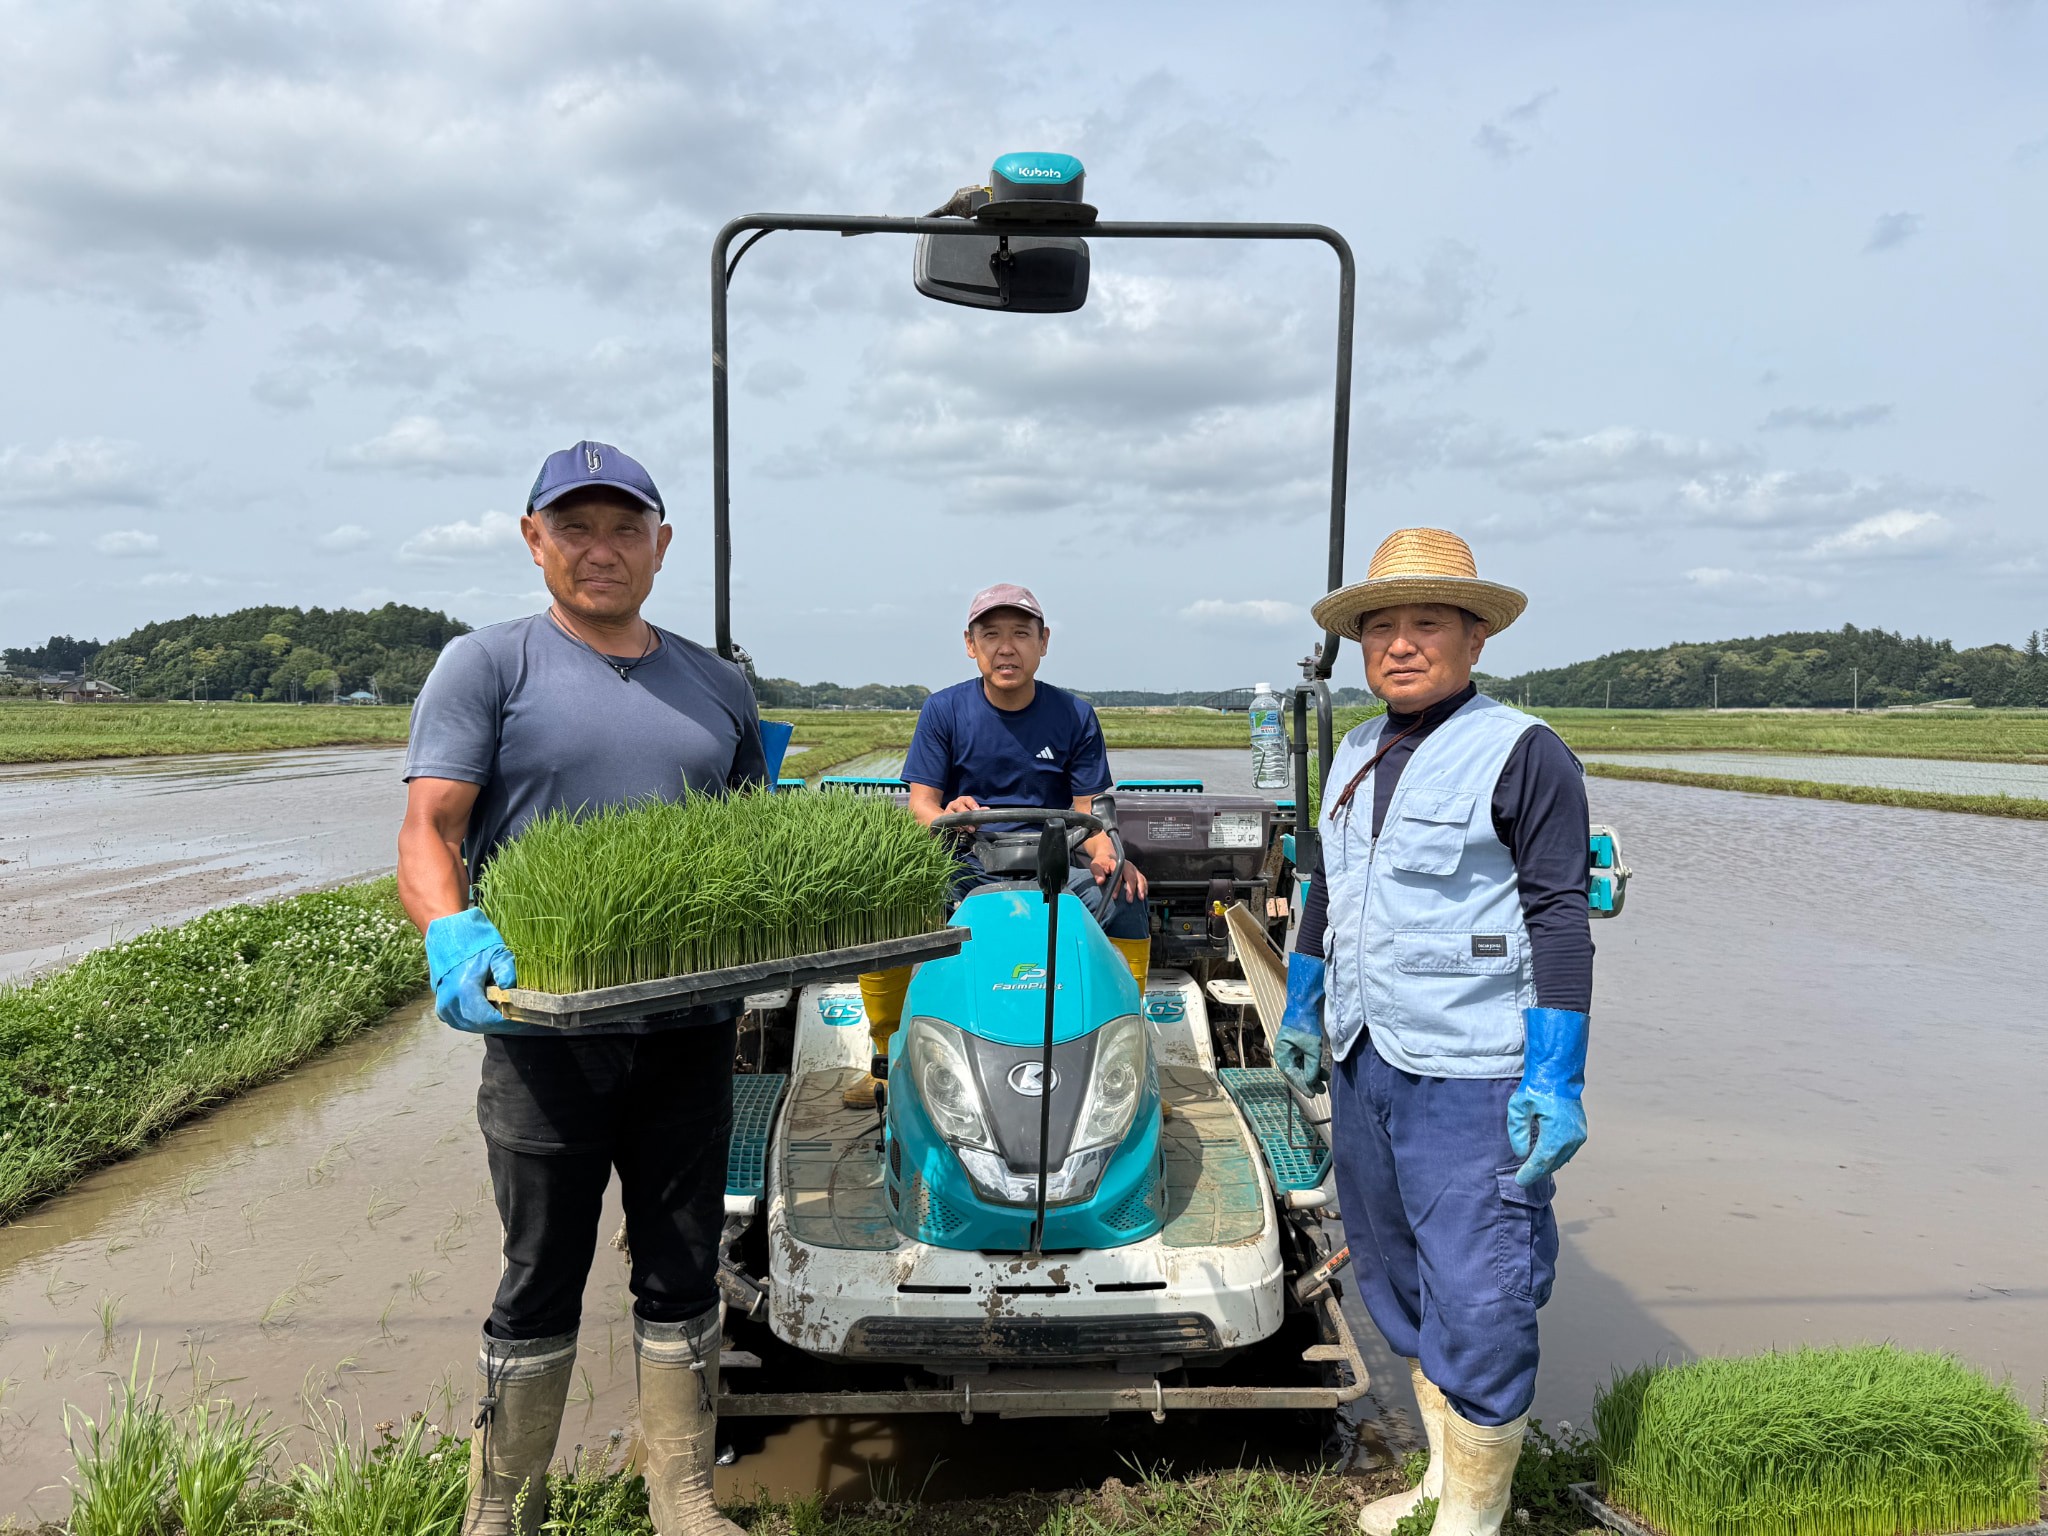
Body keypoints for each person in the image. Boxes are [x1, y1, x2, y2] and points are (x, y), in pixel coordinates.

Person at [397, 440, 768, 1536]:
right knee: (541, 1261)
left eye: (623, 528)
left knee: (682, 1256)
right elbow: (429, 828)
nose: (599, 551)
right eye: (574, 528)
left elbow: (748, 848)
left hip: (690, 1028)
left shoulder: (716, 684)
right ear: (533, 540)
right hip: (546, 1029)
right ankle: (502, 1501)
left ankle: (683, 1494)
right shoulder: (488, 665)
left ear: (661, 544)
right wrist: (453, 934)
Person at [1275, 529, 1594, 1536]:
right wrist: (1299, 1000)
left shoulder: (1523, 752)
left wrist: (1555, 1076)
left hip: (1471, 1072)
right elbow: (1325, 888)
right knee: (1393, 1272)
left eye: (1426, 623)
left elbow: (1557, 916)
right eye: (1380, 627)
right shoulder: (1356, 751)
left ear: (1474, 636)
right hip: (1365, 1057)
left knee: (1481, 1287)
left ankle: (1476, 1513)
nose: (1399, 645)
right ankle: (1436, 1480)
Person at [845, 583, 1151, 1108]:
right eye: (991, 635)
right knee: (882, 901)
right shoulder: (944, 711)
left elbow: (1089, 810)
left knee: (1126, 893)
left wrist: (1105, 848)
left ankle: (1129, 1064)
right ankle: (884, 1056)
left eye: (1020, 634)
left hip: (1052, 866)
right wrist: (948, 816)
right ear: (970, 644)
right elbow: (922, 805)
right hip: (964, 865)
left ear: (1043, 642)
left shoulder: (1074, 715)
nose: (1005, 648)